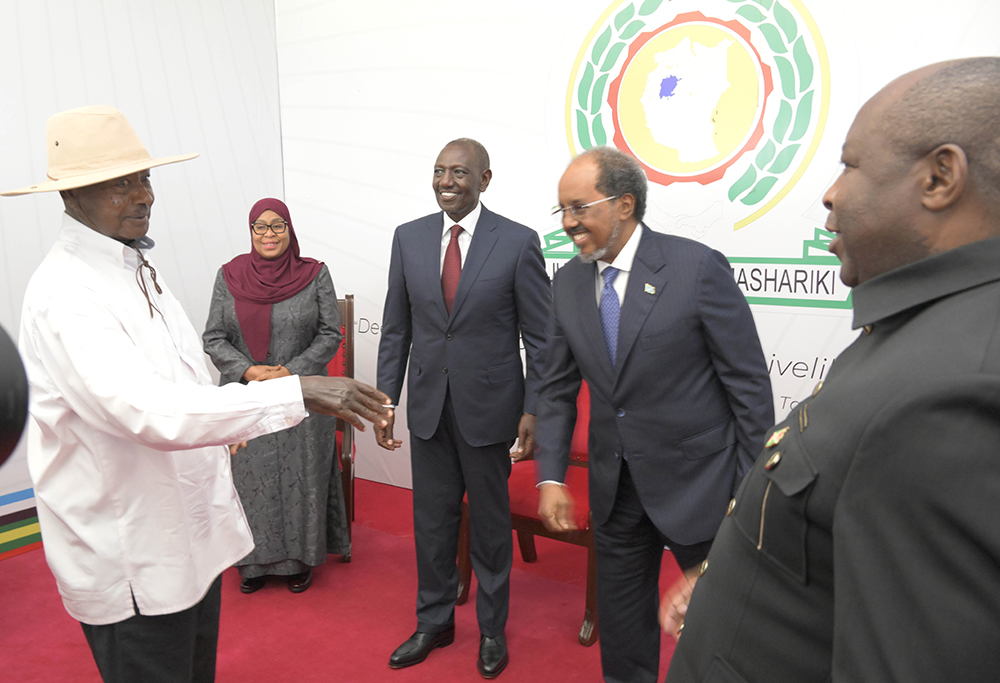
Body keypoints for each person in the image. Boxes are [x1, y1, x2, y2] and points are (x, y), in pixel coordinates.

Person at [4, 105, 390, 683]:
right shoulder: (67, 292)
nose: (143, 196)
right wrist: (294, 390)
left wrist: (226, 419)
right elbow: (146, 409)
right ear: (71, 195)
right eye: (119, 185)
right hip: (135, 559)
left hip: (188, 544)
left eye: (144, 178)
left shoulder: (135, 265)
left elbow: (182, 377)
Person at [663, 57, 1000, 683]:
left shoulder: (958, 391)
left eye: (851, 164)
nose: (830, 193)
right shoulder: (918, 328)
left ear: (940, 177)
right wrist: (729, 572)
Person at [534, 146, 774, 683]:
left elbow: (749, 389)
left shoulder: (696, 268)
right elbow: (555, 388)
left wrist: (749, 493)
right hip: (616, 490)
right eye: (562, 210)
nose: (568, 223)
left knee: (722, 633)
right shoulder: (566, 283)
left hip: (703, 487)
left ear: (624, 204)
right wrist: (550, 475)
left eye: (579, 207)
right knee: (622, 636)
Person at [375, 138, 550, 678]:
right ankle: (434, 622)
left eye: (458, 172)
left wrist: (534, 407)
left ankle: (492, 629)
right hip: (429, 406)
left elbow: (541, 337)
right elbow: (396, 329)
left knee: (491, 527)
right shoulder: (408, 237)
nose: (446, 182)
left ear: (484, 180)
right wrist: (386, 401)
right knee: (432, 523)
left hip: (490, 408)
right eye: (438, 171)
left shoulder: (517, 241)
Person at [203, 197, 349, 595]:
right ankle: (250, 562)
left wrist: (289, 372)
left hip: (301, 395)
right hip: (245, 396)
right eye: (261, 227)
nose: (269, 234)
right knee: (249, 477)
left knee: (301, 474)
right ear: (251, 231)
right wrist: (250, 372)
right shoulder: (229, 275)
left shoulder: (314, 274)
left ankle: (300, 560)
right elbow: (213, 337)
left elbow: (329, 333)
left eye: (277, 225)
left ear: (289, 229)